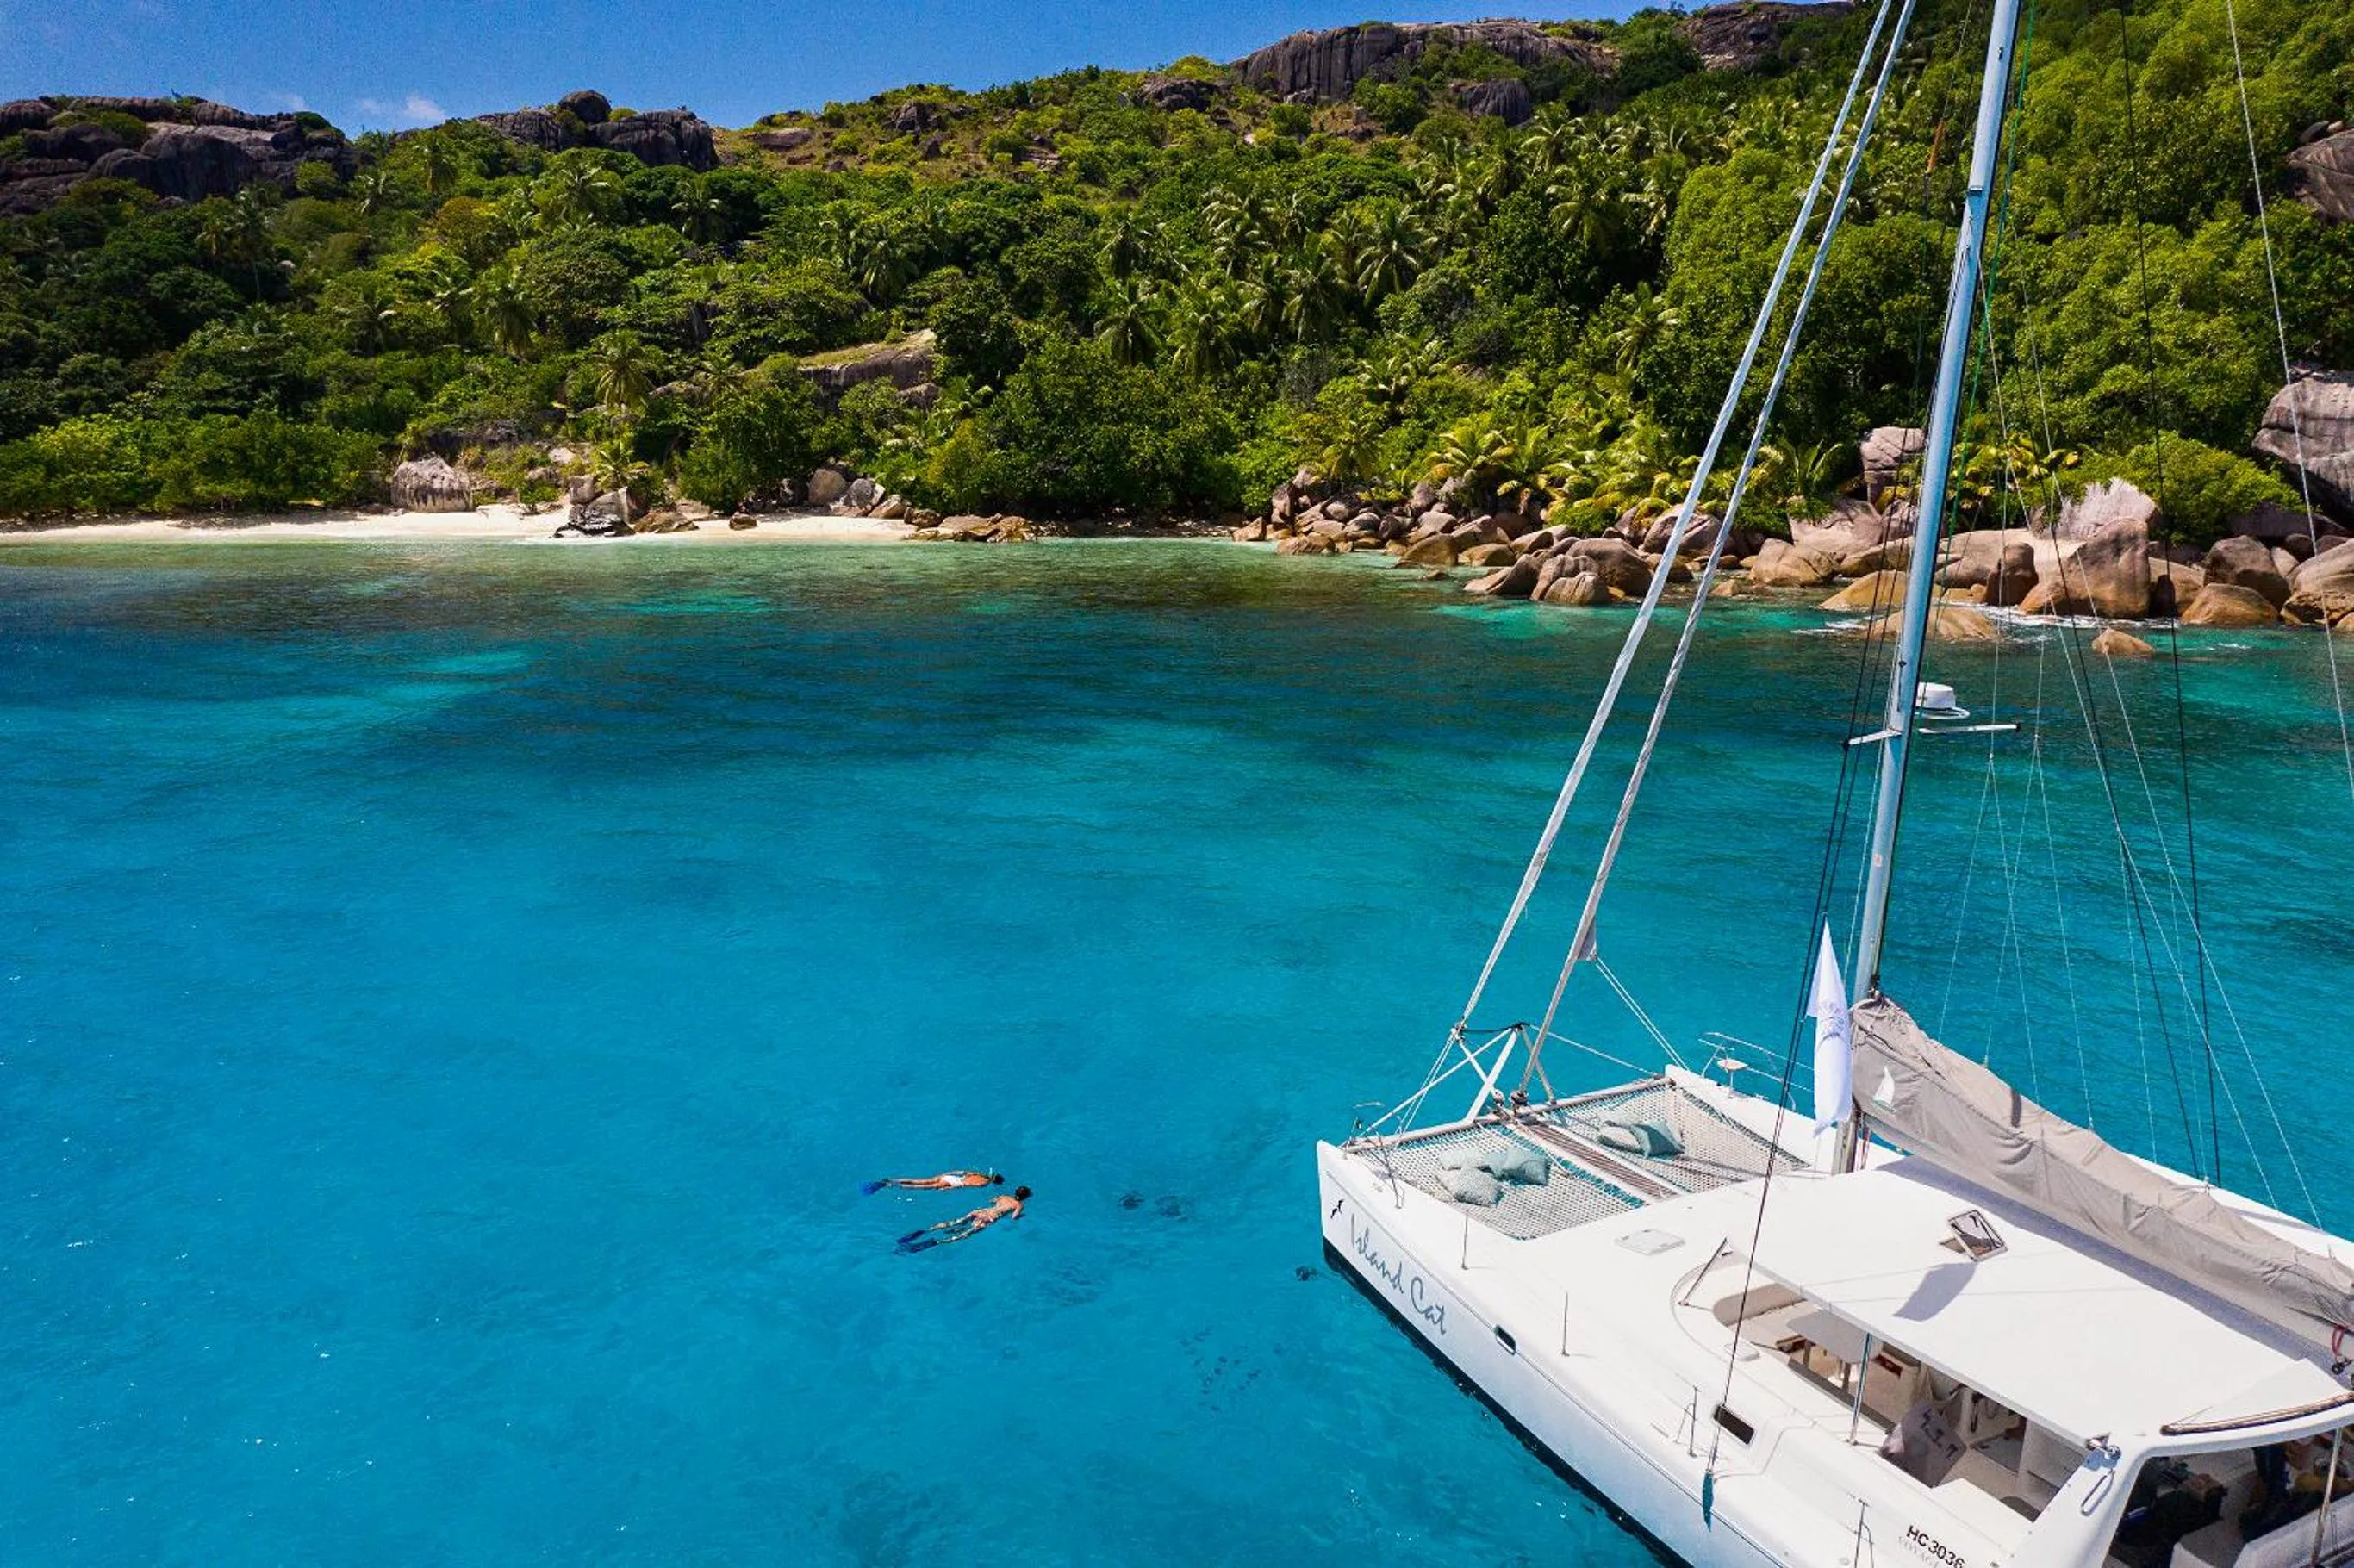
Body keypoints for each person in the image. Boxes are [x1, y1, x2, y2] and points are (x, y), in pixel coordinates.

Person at [896, 1187, 1030, 1254]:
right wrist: (1021, 1216)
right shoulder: (1019, 1205)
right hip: (989, 1218)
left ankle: (926, 1231)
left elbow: (991, 1200)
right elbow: (1014, 1217)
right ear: (1025, 1197)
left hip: (981, 1211)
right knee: (963, 1235)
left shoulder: (1003, 1196)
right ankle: (938, 1241)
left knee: (955, 1222)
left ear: (1015, 1192)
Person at [861, 1169, 1002, 1196]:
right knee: (922, 1188)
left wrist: (947, 1174)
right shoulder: (983, 1183)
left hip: (950, 1176)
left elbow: (962, 1172)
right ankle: (889, 1185)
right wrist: (948, 1189)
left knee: (919, 1180)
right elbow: (966, 1185)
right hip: (952, 1183)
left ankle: (892, 1180)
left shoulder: (979, 1173)